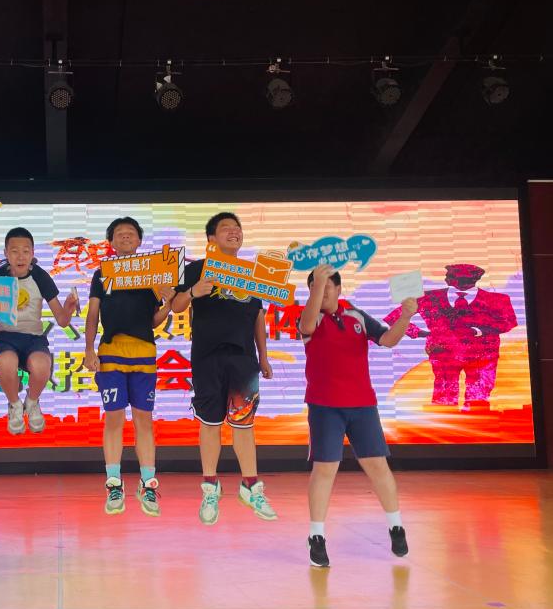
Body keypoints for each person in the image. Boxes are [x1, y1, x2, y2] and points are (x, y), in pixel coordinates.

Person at [299, 263, 415, 567]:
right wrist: (317, 283)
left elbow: (388, 339)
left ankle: (396, 526)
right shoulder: (309, 318)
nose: (323, 292)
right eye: (315, 287)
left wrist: (405, 317)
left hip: (363, 405)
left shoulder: (357, 316)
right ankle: (316, 536)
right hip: (325, 407)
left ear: (339, 289)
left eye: (328, 287)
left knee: (377, 465)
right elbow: (307, 326)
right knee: (325, 469)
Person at [171, 212, 276, 526]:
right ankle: (210, 487)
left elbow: (258, 316)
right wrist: (193, 292)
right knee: (210, 422)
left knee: (244, 422)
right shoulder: (196, 269)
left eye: (237, 228)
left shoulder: (252, 273)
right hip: (206, 357)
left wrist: (264, 356)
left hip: (243, 358)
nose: (234, 232)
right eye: (226, 228)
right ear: (211, 239)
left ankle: (250, 486)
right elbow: (175, 305)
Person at [84, 217, 174, 516]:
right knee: (113, 418)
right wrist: (88, 349)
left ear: (139, 241)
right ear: (111, 242)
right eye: (119, 233)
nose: (125, 236)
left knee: (143, 420)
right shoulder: (102, 273)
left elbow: (154, 321)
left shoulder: (153, 274)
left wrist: (168, 303)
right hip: (111, 352)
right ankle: (114, 484)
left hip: (144, 354)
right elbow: (93, 314)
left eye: (131, 233)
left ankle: (148, 484)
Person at [0, 227, 78, 435]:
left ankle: (32, 402)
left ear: (32, 253)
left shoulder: (40, 277)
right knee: (6, 362)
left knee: (41, 366)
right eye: (14, 251)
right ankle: (14, 405)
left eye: (26, 251)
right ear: (6, 253)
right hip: (5, 337)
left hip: (33, 338)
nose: (20, 256)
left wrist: (69, 308)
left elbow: (62, 320)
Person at [384, 264, 517, 410]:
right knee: (444, 400)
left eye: (451, 276)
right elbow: (394, 318)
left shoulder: (497, 299)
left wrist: (478, 330)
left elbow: (508, 322)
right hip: (443, 353)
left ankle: (475, 419)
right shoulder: (428, 298)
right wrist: (419, 333)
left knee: (478, 402)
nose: (446, 279)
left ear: (470, 279)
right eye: (448, 275)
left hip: (483, 355)